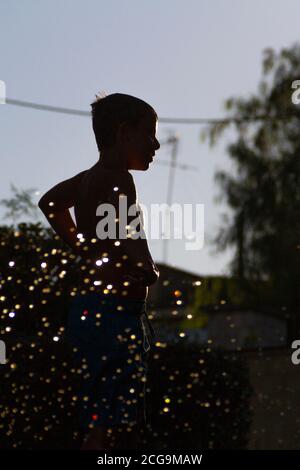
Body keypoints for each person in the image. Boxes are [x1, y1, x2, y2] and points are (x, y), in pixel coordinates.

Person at [38, 92, 160, 450]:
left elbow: (50, 203)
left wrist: (79, 244)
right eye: (148, 134)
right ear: (124, 134)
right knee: (120, 424)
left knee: (100, 417)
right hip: (116, 316)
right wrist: (145, 268)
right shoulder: (120, 179)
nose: (155, 144)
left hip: (91, 312)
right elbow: (127, 235)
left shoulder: (90, 177)